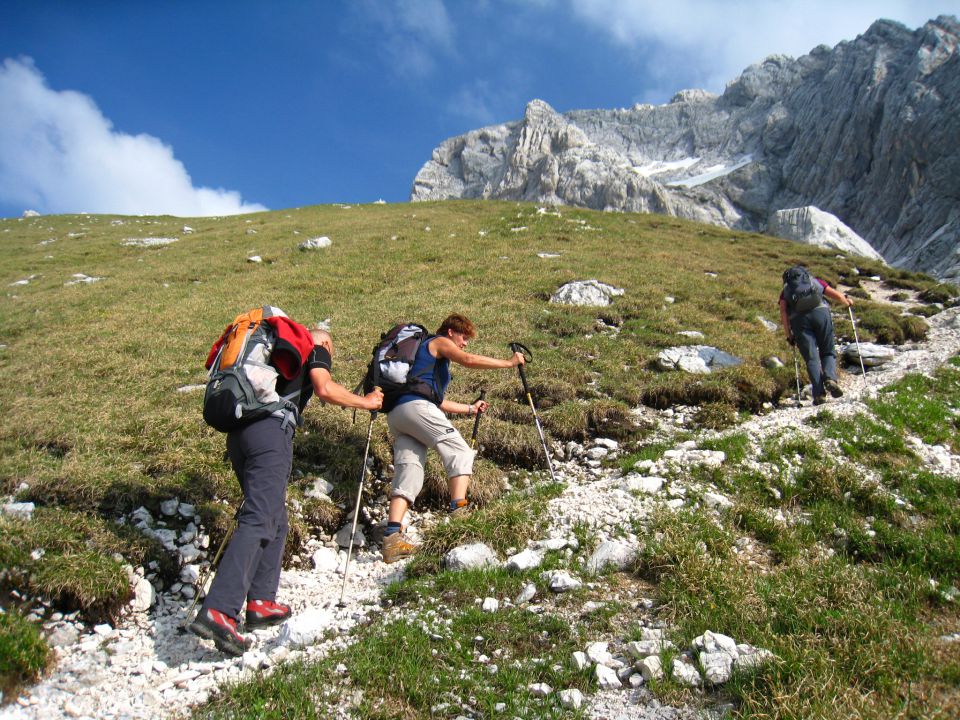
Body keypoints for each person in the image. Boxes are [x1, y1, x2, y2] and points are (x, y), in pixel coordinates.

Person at [190, 328, 383, 656]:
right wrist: (367, 402)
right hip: (271, 432)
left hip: (240, 436)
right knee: (260, 516)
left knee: (275, 517)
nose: (329, 355)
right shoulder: (315, 346)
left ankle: (261, 602)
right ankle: (219, 610)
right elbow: (324, 388)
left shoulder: (272, 359)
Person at [381, 314, 525, 563]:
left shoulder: (423, 364)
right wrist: (509, 363)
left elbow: (434, 401)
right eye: (463, 336)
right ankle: (460, 513)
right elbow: (468, 361)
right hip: (416, 409)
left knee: (410, 469)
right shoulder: (437, 341)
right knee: (459, 450)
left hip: (397, 415)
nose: (465, 343)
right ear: (450, 332)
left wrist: (470, 409)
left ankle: (393, 537)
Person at [779, 267, 853, 406]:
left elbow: (783, 312)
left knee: (811, 358)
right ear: (804, 274)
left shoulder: (786, 292)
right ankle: (830, 379)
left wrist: (788, 335)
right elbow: (834, 294)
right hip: (821, 315)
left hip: (799, 322)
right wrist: (846, 301)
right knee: (828, 351)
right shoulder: (815, 281)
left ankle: (819, 394)